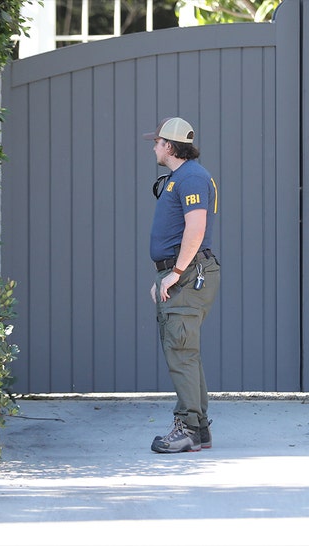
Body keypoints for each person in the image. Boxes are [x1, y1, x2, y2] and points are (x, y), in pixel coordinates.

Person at [142, 117, 220, 453]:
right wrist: (163, 275)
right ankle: (198, 429)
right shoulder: (180, 177)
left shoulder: (191, 177)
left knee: (181, 351)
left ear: (170, 147)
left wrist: (174, 272)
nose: (154, 147)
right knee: (185, 352)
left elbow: (196, 228)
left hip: (187, 275)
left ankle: (188, 427)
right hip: (180, 273)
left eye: (158, 141)